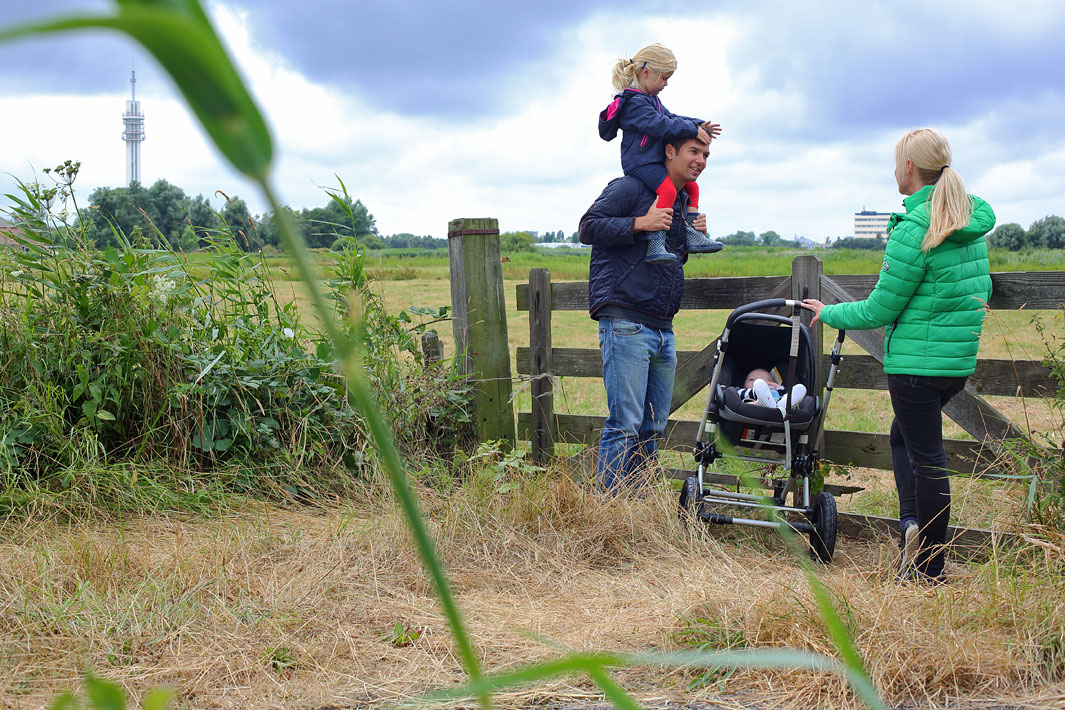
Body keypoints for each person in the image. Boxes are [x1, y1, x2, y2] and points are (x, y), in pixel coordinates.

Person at [802, 128, 995, 582]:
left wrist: (830, 311)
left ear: (909, 167)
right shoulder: (966, 224)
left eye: (896, 162)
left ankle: (928, 567)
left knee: (928, 458)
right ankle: (912, 529)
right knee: (903, 437)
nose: (894, 170)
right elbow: (979, 289)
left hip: (915, 366)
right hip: (954, 365)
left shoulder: (916, 229)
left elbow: (880, 308)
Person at [579, 133, 717, 493]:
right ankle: (606, 510)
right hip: (625, 319)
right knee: (624, 422)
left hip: (662, 326)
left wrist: (689, 236)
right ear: (670, 151)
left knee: (652, 426)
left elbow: (670, 258)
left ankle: (637, 506)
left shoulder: (683, 199)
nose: (701, 159)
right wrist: (640, 222)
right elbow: (588, 227)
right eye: (694, 151)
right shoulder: (630, 187)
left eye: (705, 153)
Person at [598, 43, 723, 263]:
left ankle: (691, 233)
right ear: (646, 72)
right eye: (664, 78)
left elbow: (671, 117)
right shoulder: (634, 103)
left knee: (692, 187)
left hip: (652, 161)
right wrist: (692, 129)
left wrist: (698, 124)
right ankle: (656, 243)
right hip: (641, 163)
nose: (666, 84)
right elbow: (660, 125)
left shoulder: (652, 101)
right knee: (667, 190)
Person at [737, 367, 807, 415]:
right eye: (752, 379)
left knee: (784, 395)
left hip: (777, 402)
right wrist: (757, 388)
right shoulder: (744, 391)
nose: (764, 382)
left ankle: (787, 403)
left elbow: (782, 390)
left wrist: (778, 387)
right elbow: (736, 394)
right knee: (745, 397)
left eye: (767, 380)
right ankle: (763, 402)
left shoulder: (776, 390)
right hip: (753, 404)